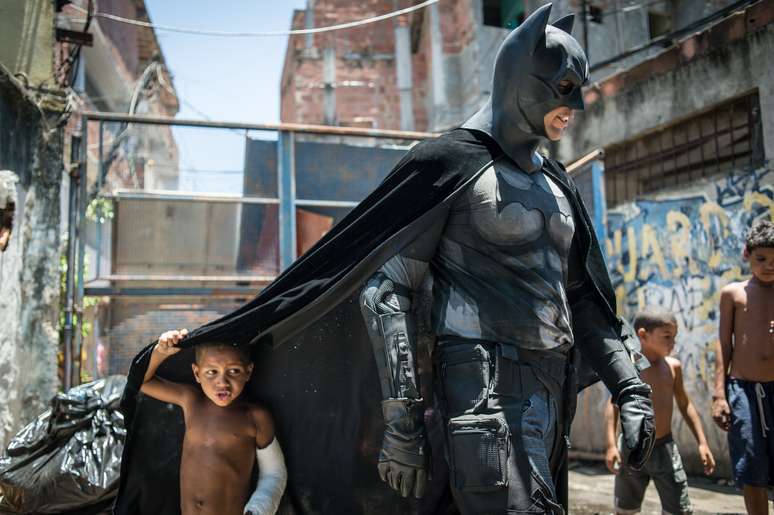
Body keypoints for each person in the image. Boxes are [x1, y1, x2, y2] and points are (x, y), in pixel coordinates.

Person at [358, 4, 656, 513]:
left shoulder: (558, 183)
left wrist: (630, 388)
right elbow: (387, 294)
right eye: (565, 88)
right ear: (520, 78)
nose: (577, 105)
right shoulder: (449, 163)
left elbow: (584, 299)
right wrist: (403, 426)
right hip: (483, 390)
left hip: (551, 389)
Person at [140, 328, 287, 515]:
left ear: (248, 371)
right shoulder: (191, 401)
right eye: (211, 372)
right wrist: (160, 352)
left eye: (234, 371)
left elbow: (274, 474)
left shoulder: (255, 417)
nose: (222, 382)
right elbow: (142, 382)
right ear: (196, 373)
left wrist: (258, 510)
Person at [605, 307, 715, 515]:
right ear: (643, 335)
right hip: (631, 447)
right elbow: (612, 407)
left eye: (674, 337)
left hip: (665, 448)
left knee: (679, 509)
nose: (673, 344)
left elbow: (685, 404)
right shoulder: (628, 368)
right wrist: (611, 445)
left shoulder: (673, 367)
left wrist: (702, 442)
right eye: (667, 337)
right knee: (625, 509)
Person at [713, 219, 774, 515]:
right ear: (747, 254)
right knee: (751, 464)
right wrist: (719, 395)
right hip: (744, 390)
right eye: (761, 259)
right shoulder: (733, 294)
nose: (769, 266)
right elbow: (723, 344)